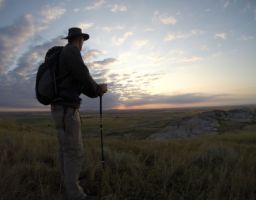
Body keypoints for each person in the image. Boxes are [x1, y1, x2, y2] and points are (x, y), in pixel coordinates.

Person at [51, 27, 107, 200]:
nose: (83, 43)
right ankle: (75, 194)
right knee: (74, 151)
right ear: (79, 39)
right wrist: (99, 89)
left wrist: (95, 91)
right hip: (68, 110)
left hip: (59, 109)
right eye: (82, 40)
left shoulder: (63, 54)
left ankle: (67, 183)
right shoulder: (72, 52)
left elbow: (80, 83)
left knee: (65, 149)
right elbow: (84, 76)